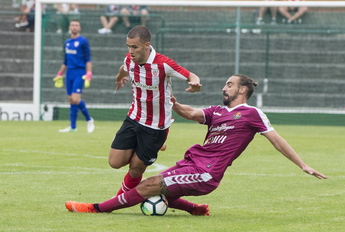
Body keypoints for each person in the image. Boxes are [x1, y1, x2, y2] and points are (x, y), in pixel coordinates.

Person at [65, 74, 327, 215]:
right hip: (192, 162)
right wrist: (172, 102)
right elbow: (191, 114)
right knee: (159, 190)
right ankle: (196, 210)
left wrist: (303, 165)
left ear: (243, 90)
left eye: (230, 84)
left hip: (207, 172)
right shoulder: (217, 111)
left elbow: (277, 141)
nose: (225, 88)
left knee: (147, 186)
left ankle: (96, 208)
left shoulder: (252, 114)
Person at [104, 25, 201, 199]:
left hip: (156, 127)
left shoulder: (163, 64)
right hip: (134, 118)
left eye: (134, 47)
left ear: (147, 45)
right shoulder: (129, 60)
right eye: (128, 46)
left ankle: (118, 200)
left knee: (135, 170)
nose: (130, 51)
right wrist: (119, 79)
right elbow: (123, 69)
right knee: (114, 162)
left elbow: (190, 75)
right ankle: (154, 146)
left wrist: (194, 84)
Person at [53, 20, 95, 133]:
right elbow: (65, 61)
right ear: (69, 27)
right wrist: (59, 73)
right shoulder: (67, 42)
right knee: (71, 100)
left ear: (79, 28)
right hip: (69, 73)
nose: (74, 27)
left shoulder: (83, 41)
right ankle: (73, 127)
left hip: (79, 72)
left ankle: (89, 119)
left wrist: (89, 73)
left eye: (76, 25)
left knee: (76, 99)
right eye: (73, 25)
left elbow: (88, 59)